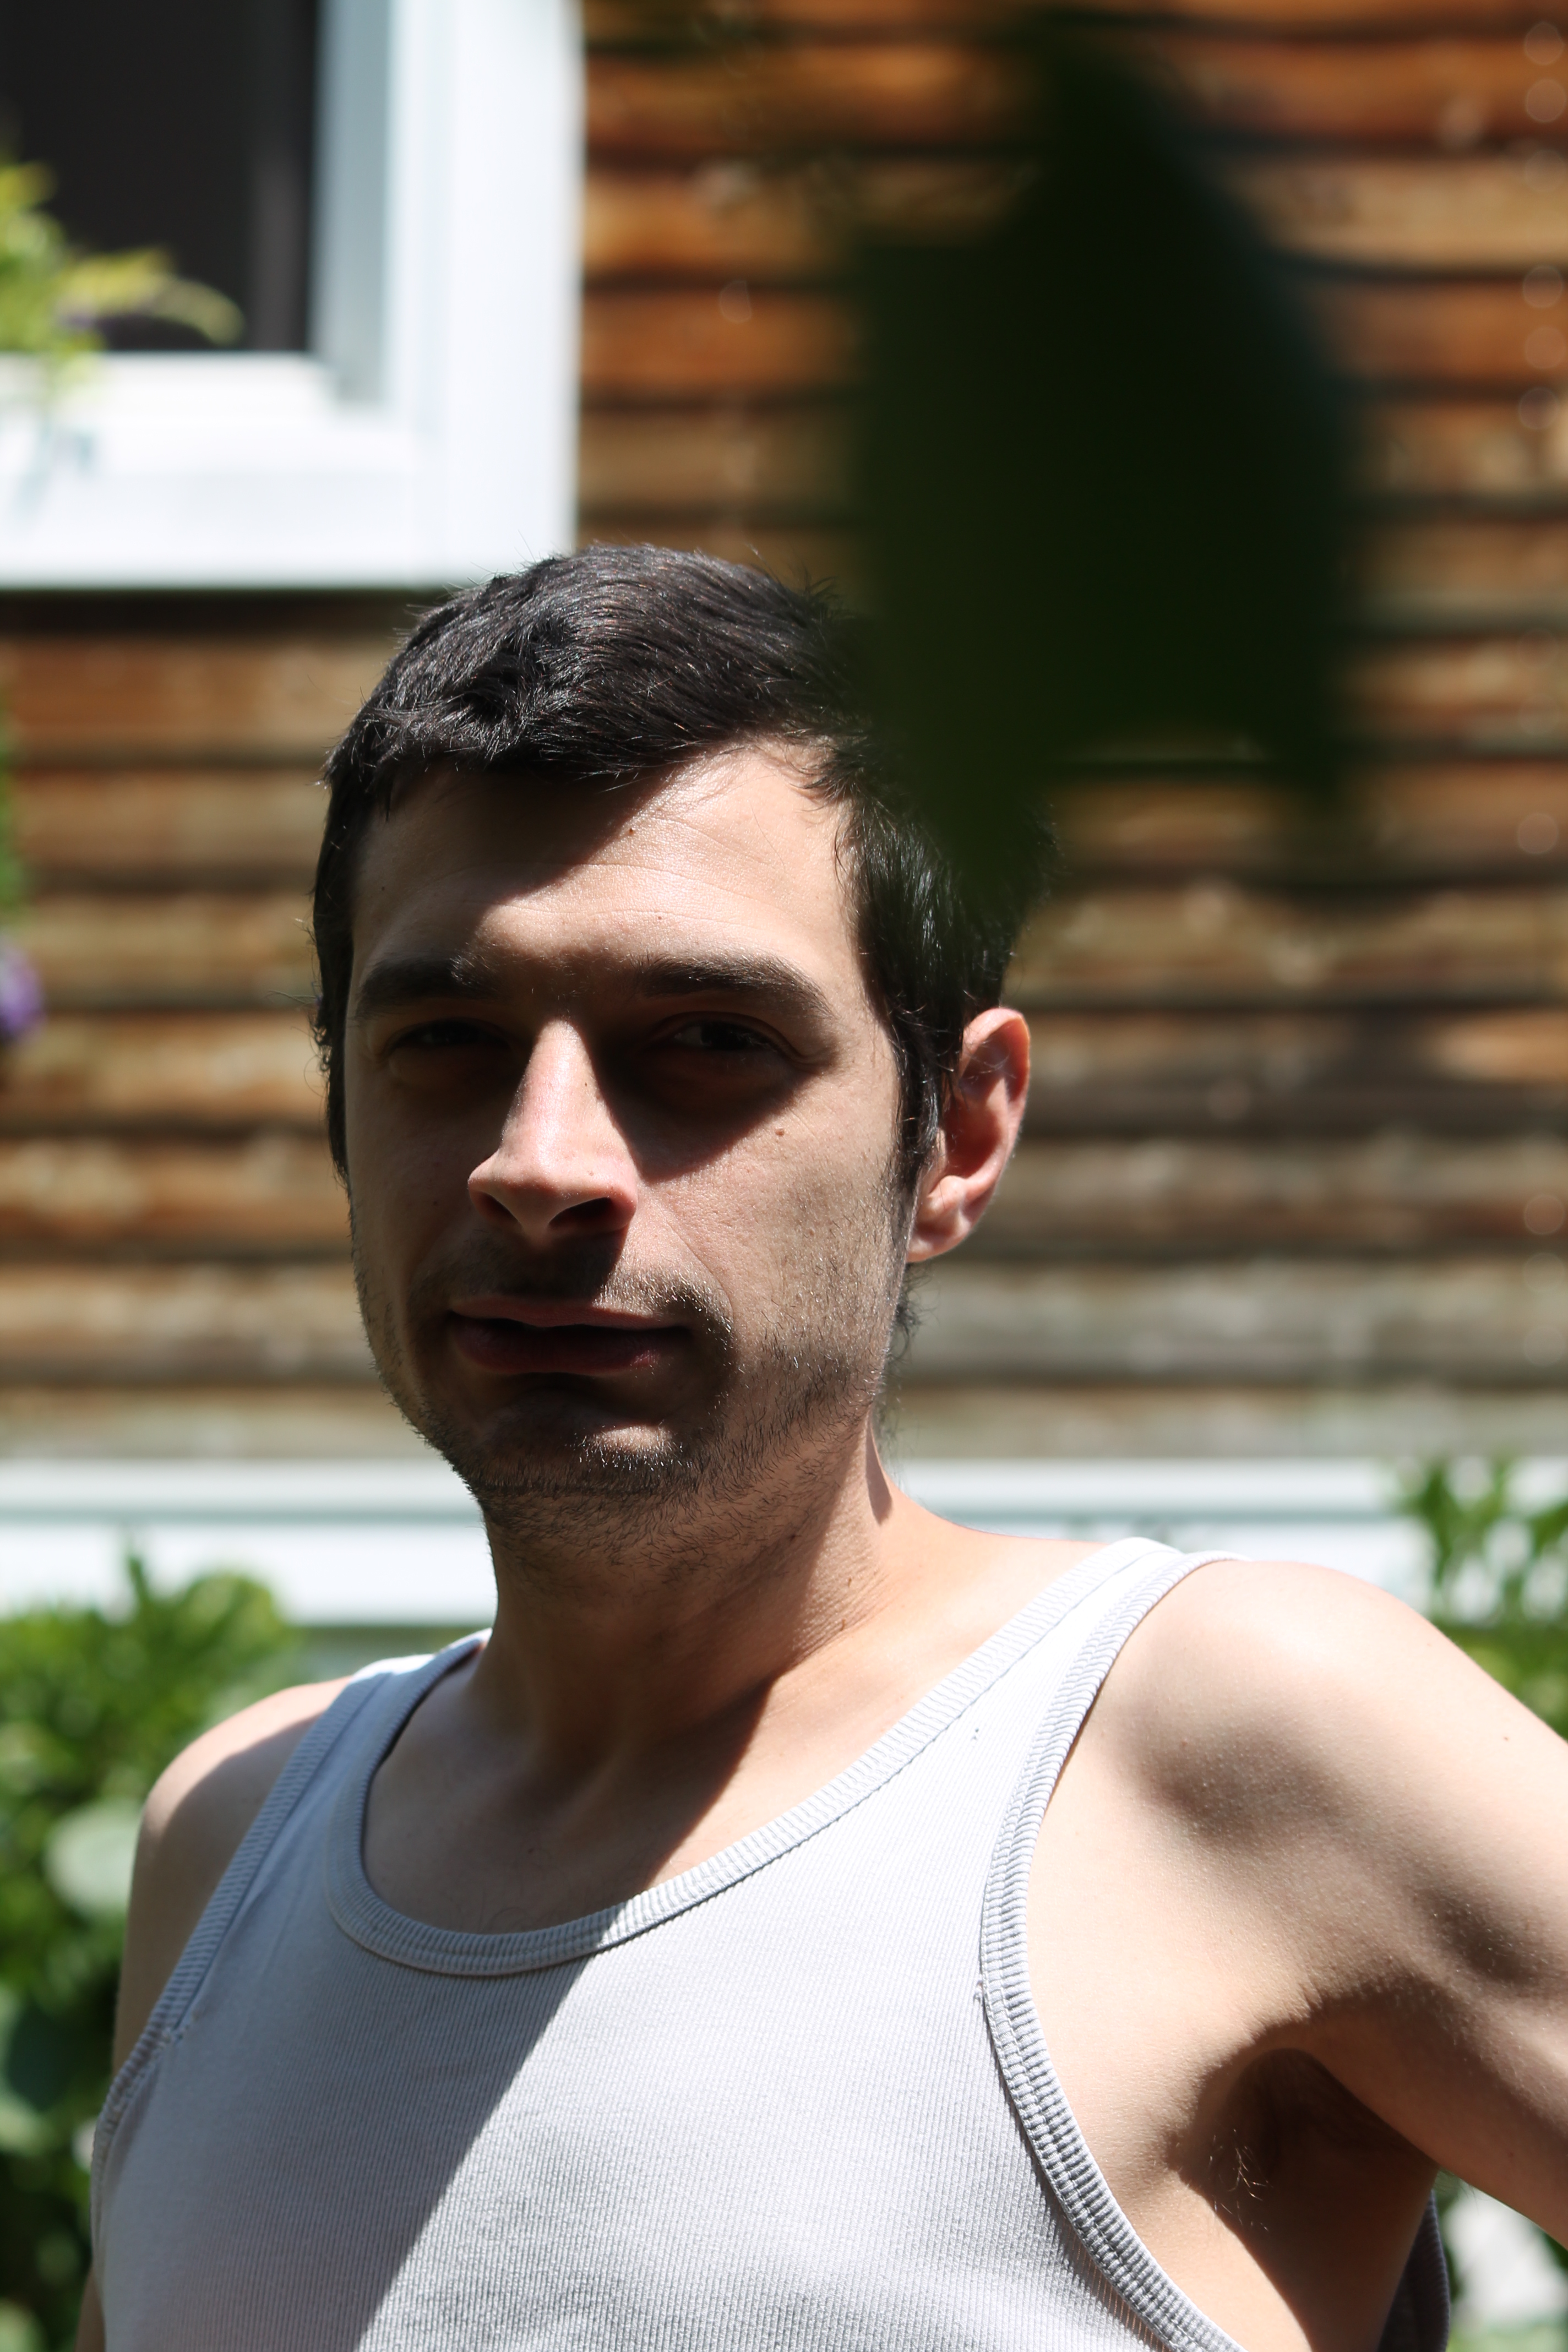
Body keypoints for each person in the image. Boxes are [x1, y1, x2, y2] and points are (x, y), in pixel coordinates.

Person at [80, 549, 1567, 2352]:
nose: (540, 1162)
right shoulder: (231, 1846)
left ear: (958, 1133)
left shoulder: (1216, 1744)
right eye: (446, 1042)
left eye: (707, 1042)